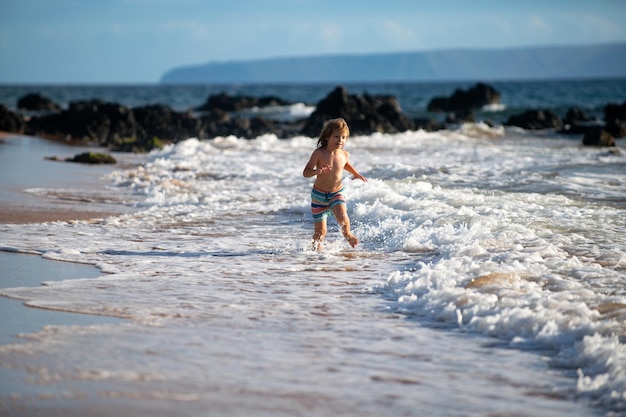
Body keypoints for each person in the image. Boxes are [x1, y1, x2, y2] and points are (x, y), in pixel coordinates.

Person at [303, 117, 368, 250]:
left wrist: (355, 173)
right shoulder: (319, 153)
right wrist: (318, 171)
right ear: (327, 136)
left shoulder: (344, 154)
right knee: (320, 233)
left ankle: (348, 235)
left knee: (343, 218)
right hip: (318, 196)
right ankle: (316, 255)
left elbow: (345, 164)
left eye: (344, 137)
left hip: (336, 193)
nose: (340, 140)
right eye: (337, 136)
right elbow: (306, 172)